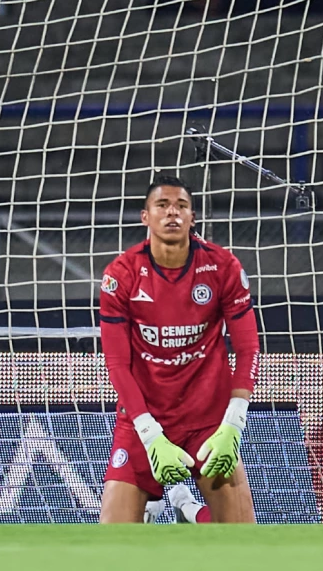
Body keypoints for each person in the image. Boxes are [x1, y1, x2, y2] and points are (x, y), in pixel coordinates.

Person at [99, 174, 259, 523]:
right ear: (145, 216)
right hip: (144, 420)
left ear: (192, 217)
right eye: (162, 205)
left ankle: (190, 512)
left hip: (208, 423)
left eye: (181, 206)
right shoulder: (122, 274)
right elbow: (117, 364)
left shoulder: (222, 267)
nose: (172, 212)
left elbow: (248, 349)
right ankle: (184, 508)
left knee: (244, 540)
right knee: (110, 542)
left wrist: (233, 423)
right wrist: (149, 434)